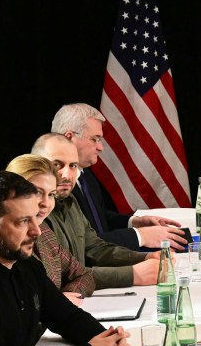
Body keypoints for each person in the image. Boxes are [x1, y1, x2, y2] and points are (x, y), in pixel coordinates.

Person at [0, 171, 130, 346]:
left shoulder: (27, 264)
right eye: (22, 221)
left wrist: (108, 340)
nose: (36, 231)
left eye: (35, 218)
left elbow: (66, 317)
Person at [51, 103, 187, 251]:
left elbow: (99, 220)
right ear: (69, 137)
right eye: (95, 139)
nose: (100, 147)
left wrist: (134, 222)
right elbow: (83, 245)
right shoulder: (53, 184)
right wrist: (140, 236)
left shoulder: (85, 175)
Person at [32, 133, 160, 289]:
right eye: (57, 165)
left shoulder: (71, 201)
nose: (66, 175)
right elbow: (64, 278)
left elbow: (94, 249)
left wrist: (145, 257)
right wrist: (133, 274)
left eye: (73, 166)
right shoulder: (33, 215)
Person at [6, 154, 96, 305]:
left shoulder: (46, 235)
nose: (46, 204)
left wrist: (66, 297)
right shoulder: (0, 242)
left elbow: (84, 275)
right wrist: (56, 302)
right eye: (37, 192)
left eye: (51, 194)